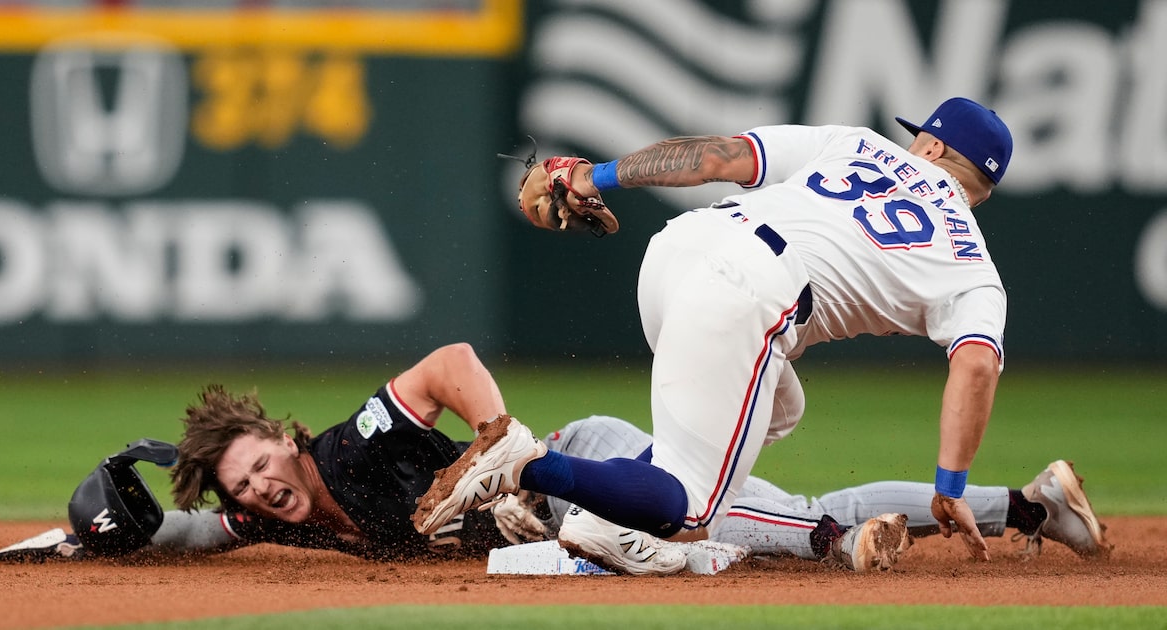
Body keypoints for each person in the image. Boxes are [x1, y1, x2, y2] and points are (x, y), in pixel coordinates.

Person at [412, 97, 1019, 574]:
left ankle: (609, 522)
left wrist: (594, 175)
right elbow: (976, 366)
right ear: (983, 191)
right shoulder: (972, 265)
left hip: (682, 249)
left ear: (934, 143)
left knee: (782, 408)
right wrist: (950, 483)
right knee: (690, 512)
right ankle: (529, 465)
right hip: (751, 290)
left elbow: (718, 157)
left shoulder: (858, 145)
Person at [0, 347, 1110, 570]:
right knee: (761, 515)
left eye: (260, 465)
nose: (260, 487)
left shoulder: (353, 445)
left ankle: (837, 531)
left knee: (764, 526)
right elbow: (184, 530)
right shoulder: (285, 516)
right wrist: (75, 534)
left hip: (590, 466)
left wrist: (491, 434)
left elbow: (448, 358)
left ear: (283, 438)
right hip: (574, 511)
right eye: (244, 487)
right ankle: (1029, 501)